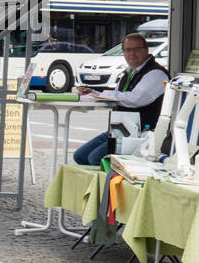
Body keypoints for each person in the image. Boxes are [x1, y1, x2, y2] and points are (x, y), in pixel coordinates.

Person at [73, 32, 170, 166]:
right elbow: (118, 95)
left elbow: (136, 99)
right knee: (80, 156)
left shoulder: (156, 73)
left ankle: (108, 185)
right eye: (128, 50)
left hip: (141, 134)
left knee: (95, 158)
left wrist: (103, 95)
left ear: (146, 50)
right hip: (120, 129)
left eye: (137, 49)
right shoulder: (129, 72)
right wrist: (93, 92)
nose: (132, 54)